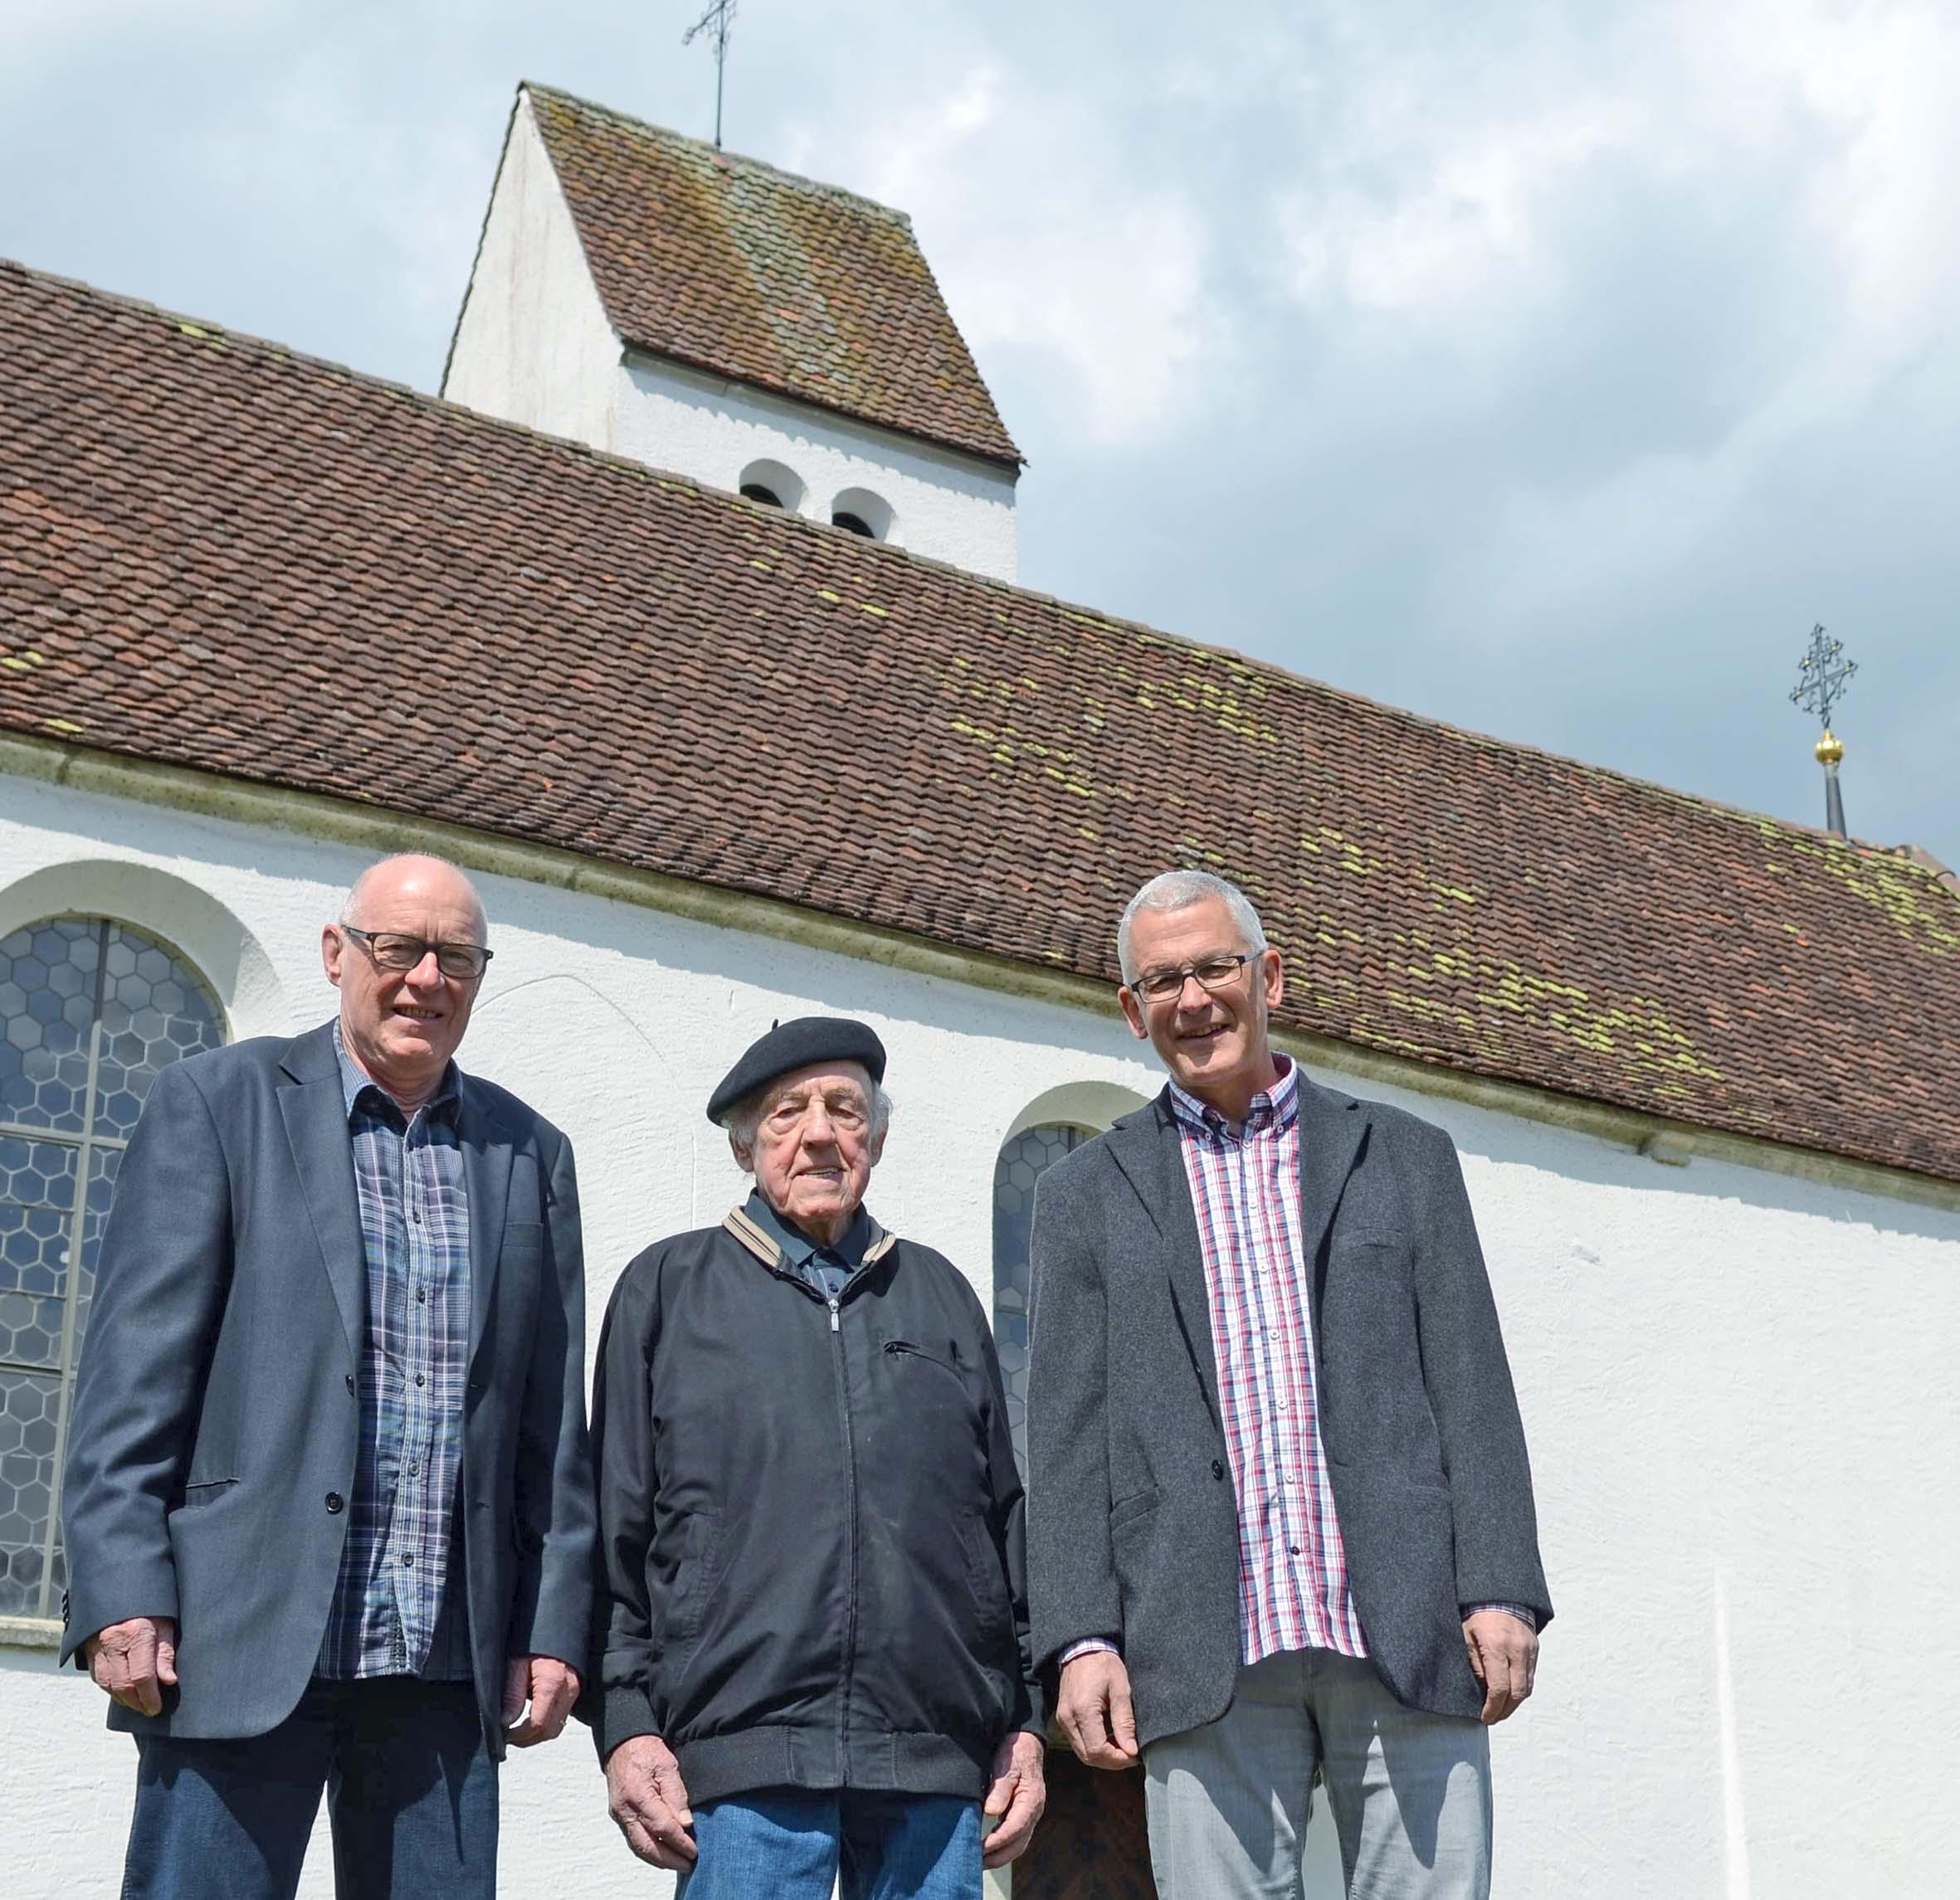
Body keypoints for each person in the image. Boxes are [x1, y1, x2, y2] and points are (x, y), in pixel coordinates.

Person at [61, 853, 595, 1900]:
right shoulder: (219, 1103)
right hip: (236, 1635)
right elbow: (134, 1376)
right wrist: (122, 1587)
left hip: (445, 1663)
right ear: (337, 953)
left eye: (456, 957)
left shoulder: (530, 1154)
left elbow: (551, 1427)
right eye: (398, 948)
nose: (425, 979)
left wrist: (553, 1624)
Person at [1025, 870, 1551, 1900]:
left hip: (1405, 1619)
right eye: (1162, 980)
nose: (1193, 999)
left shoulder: (1403, 1158)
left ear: (1268, 975)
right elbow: (1066, 1433)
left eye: (1215, 967)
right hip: (1195, 1630)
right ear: (1132, 1012)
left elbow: (1472, 1382)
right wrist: (1081, 1638)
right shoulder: (1081, 1195)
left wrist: (1498, 1585)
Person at [590, 1016, 1046, 1898]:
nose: (819, 1133)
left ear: (874, 1136)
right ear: (745, 1146)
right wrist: (626, 1722)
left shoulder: (941, 1295)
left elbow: (1002, 1523)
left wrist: (1021, 1720)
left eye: (844, 1108)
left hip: (933, 1760)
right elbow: (616, 1520)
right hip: (743, 1756)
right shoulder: (667, 1289)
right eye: (786, 1112)